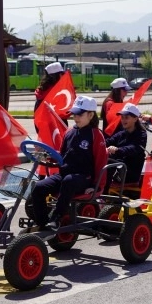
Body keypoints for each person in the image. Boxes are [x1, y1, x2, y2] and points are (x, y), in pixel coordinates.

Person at [30, 95, 108, 230]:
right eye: (74, 114)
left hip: (84, 178)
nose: (75, 117)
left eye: (79, 114)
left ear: (90, 115)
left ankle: (57, 217)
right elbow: (61, 156)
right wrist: (47, 155)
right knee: (38, 187)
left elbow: (101, 163)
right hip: (66, 175)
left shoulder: (96, 135)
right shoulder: (70, 132)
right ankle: (42, 223)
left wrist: (97, 186)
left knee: (68, 181)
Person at [105, 102, 148, 190]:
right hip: (120, 167)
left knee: (109, 163)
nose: (123, 120)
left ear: (135, 119)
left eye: (126, 118)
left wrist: (118, 150)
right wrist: (97, 143)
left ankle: (103, 193)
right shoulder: (121, 134)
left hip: (131, 171)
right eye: (122, 117)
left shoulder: (142, 135)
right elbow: (108, 141)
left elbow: (134, 148)